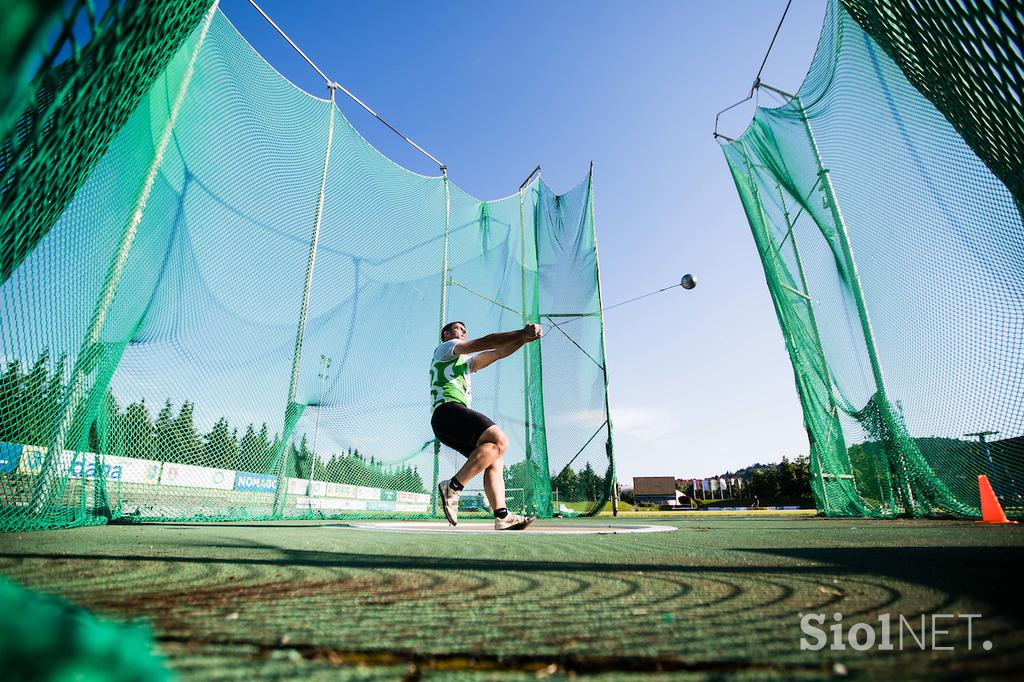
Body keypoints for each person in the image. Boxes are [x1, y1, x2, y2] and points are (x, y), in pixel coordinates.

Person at [431, 320, 542, 530]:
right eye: (458, 329)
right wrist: (521, 331)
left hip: (448, 422)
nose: (463, 331)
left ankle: (502, 516)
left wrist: (524, 340)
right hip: (447, 412)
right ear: (446, 334)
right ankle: (452, 487)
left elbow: (497, 352)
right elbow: (487, 342)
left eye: (465, 329)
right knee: (500, 440)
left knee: (494, 458)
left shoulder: (465, 364)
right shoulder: (446, 349)